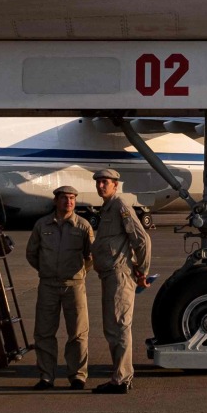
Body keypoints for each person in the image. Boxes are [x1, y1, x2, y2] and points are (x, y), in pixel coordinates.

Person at [24, 184, 95, 390]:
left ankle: (78, 376)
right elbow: (32, 253)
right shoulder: (42, 225)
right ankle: (46, 376)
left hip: (74, 285)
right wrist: (47, 270)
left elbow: (91, 256)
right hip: (48, 285)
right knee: (44, 332)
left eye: (72, 198)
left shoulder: (83, 226)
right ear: (56, 200)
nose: (69, 201)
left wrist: (79, 274)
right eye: (64, 198)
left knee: (78, 333)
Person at [88, 168, 152, 395]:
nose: (101, 186)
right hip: (109, 276)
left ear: (116, 185)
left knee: (119, 327)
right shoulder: (107, 209)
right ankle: (120, 375)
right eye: (98, 182)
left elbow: (142, 239)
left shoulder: (120, 207)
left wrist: (142, 271)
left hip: (119, 275)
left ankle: (122, 379)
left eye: (105, 182)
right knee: (112, 328)